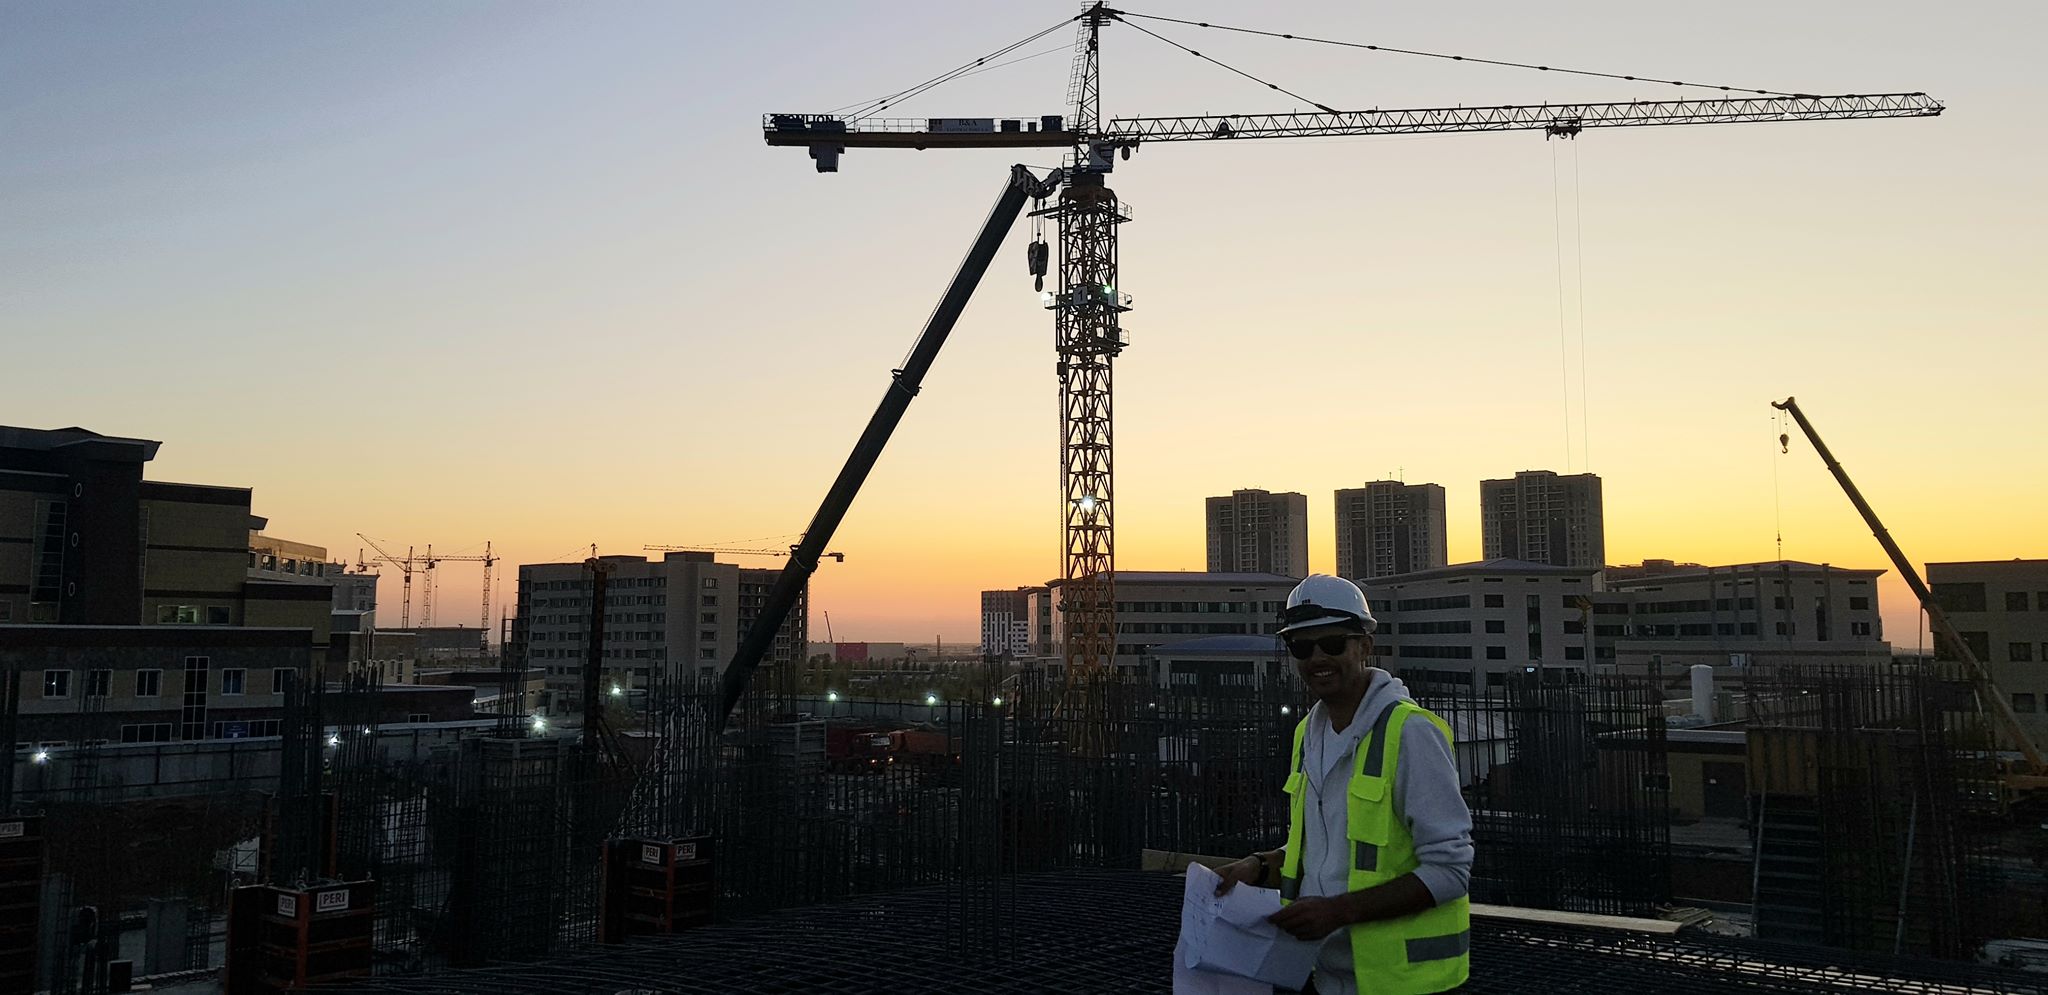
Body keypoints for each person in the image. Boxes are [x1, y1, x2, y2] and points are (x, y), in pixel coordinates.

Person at [1213, 574, 1473, 995]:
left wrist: (1339, 911)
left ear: (1364, 645)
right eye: (1302, 646)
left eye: (1333, 643)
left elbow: (1451, 870)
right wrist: (1259, 866)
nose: (1318, 657)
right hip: (1320, 975)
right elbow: (1316, 849)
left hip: (1404, 984)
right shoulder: (1306, 735)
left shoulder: (1410, 734)